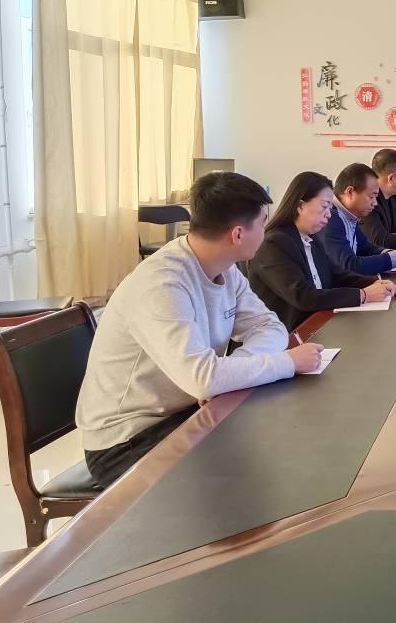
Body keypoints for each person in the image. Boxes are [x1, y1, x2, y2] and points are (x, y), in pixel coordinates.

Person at [76, 172, 325, 488]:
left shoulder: (225, 268)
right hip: (127, 440)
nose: (266, 231)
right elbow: (203, 379)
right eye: (263, 223)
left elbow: (269, 326)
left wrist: (228, 375)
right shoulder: (162, 284)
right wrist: (287, 362)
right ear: (238, 234)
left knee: (278, 434)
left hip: (188, 411)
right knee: (258, 466)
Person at [248, 172, 396, 331]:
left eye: (330, 208)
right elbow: (304, 296)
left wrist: (374, 282)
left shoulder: (311, 239)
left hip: (317, 324)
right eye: (324, 207)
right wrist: (363, 295)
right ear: (300, 206)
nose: (329, 214)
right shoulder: (273, 244)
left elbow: (336, 274)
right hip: (288, 335)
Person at [317, 163, 396, 276]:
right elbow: (351, 265)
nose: (375, 203)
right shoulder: (330, 218)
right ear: (350, 191)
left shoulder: (348, 215)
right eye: (371, 196)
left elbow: (367, 249)